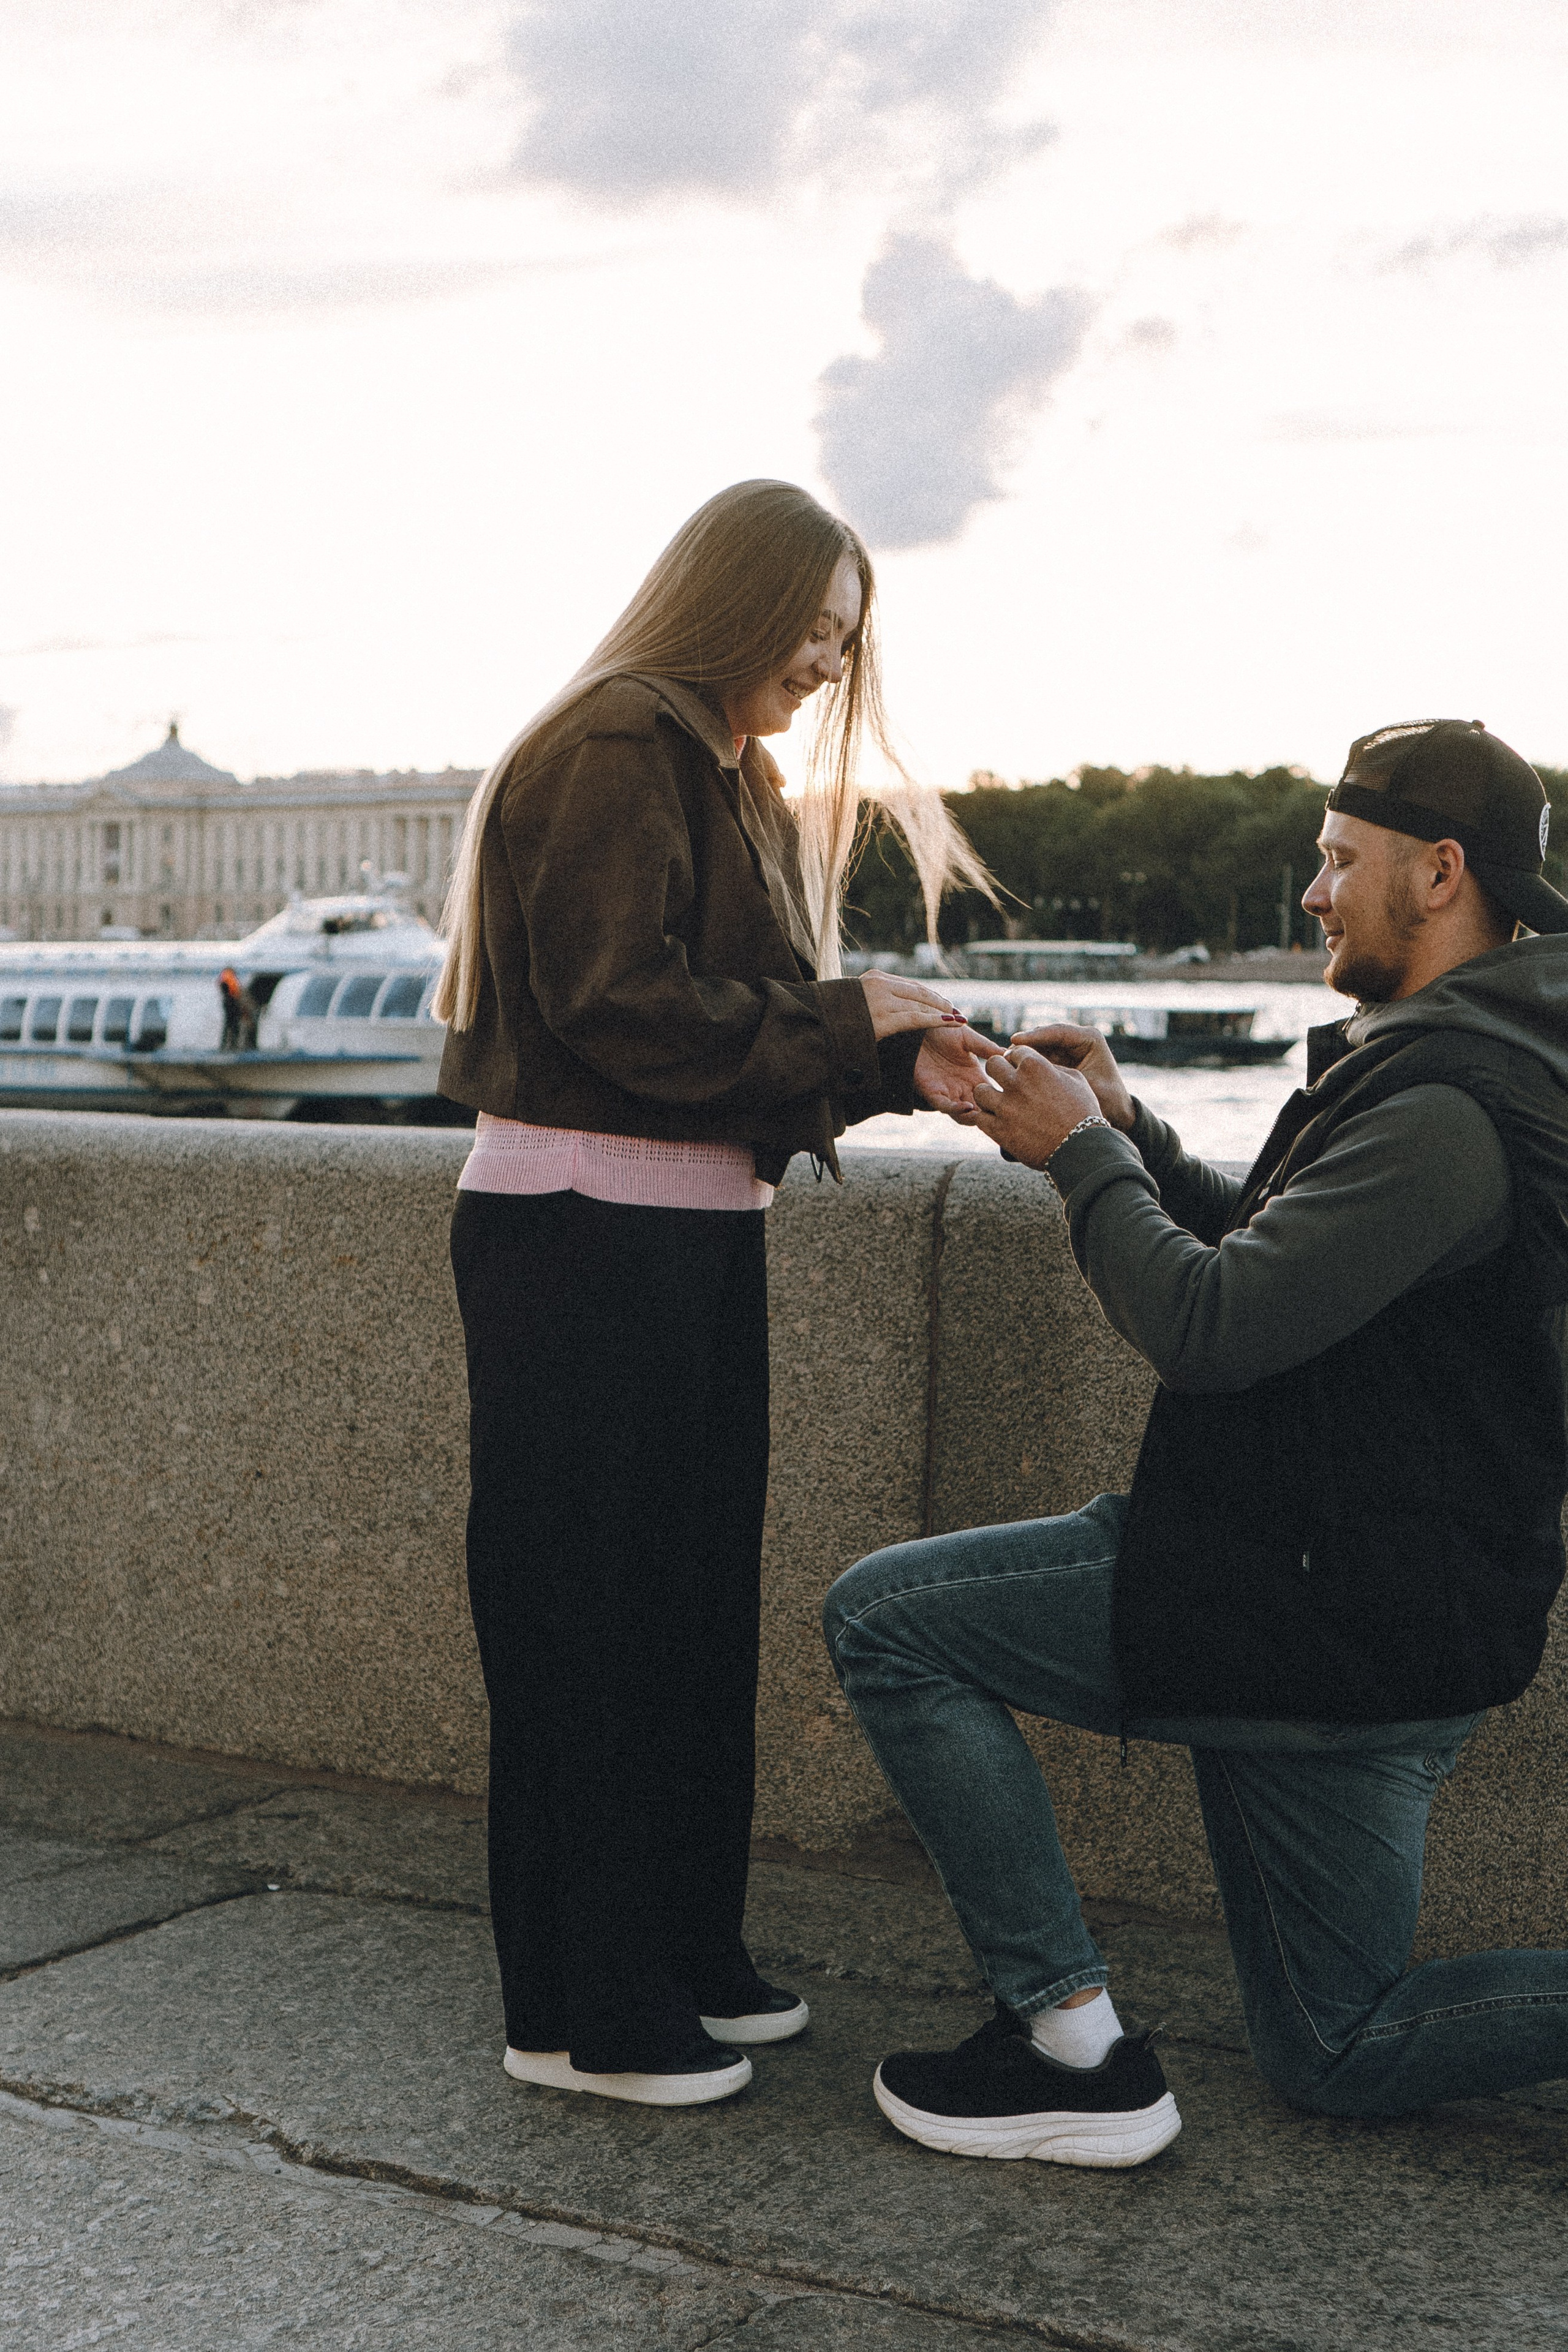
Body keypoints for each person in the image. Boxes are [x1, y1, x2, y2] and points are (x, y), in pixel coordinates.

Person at [824, 718, 1568, 2168]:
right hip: (1374, 1611)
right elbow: (1289, 1265)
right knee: (1335, 2048)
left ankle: (1068, 2050)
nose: (1311, 893)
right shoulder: (1470, 1060)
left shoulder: (1447, 1106)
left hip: (1295, 1599)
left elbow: (1211, 1325)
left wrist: (1077, 1153)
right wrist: (1132, 1129)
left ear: (1439, 873)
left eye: (1336, 860)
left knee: (888, 1626)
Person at [436, 480, 993, 2111]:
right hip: (585, 1240)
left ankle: (676, 1953)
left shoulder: (713, 761)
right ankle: (585, 2013)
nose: (827, 663)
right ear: (732, 602)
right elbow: (625, 1008)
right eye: (812, 628)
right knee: (596, 1628)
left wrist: (891, 1056)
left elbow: (718, 1029)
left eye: (845, 638)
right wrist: (851, 1019)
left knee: (681, 1619)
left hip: (666, 1234)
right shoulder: (620, 743)